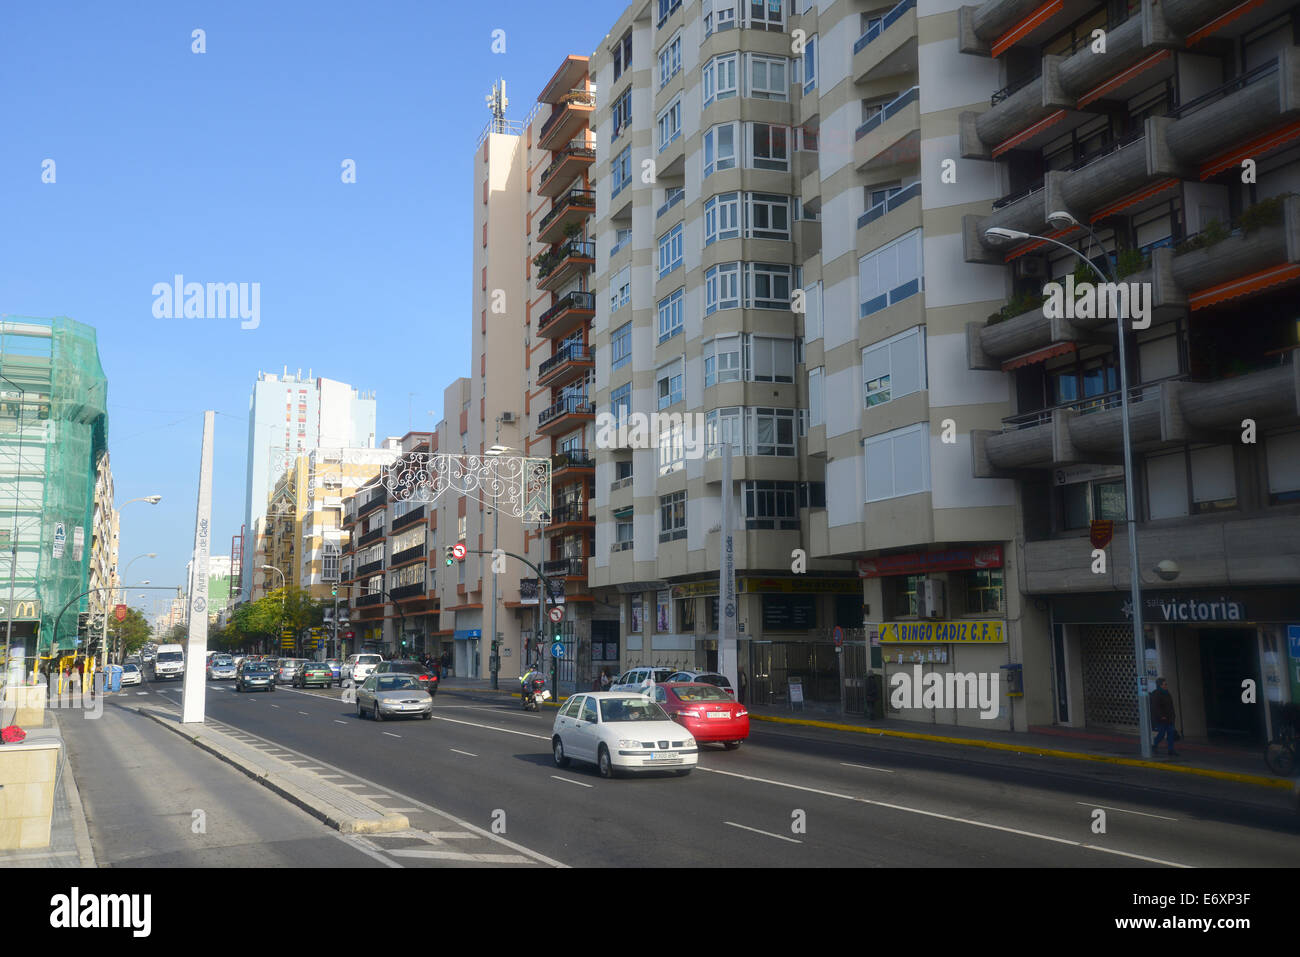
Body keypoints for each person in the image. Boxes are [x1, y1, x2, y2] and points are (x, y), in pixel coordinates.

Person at [1150, 676, 1179, 756]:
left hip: (1169, 718)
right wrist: (1161, 716)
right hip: (1161, 719)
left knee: (1171, 733)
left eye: (1166, 684)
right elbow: (1155, 707)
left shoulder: (1167, 693)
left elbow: (1170, 706)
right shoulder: (1156, 694)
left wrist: (1173, 716)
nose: (1166, 686)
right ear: (1160, 685)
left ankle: (1171, 749)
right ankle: (1154, 745)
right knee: (1162, 733)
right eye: (1165, 684)